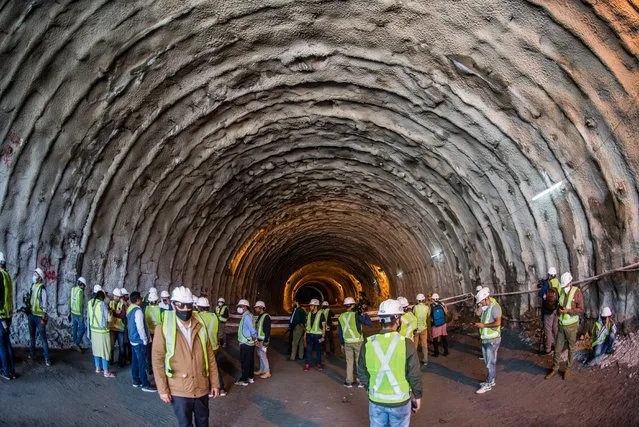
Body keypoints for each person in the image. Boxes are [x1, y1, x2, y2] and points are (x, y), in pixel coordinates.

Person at [152, 286, 220, 427]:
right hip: (179, 389)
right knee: (185, 424)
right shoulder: (163, 328)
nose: (185, 309)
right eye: (180, 305)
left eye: (188, 305)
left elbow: (210, 357)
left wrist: (215, 383)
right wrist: (163, 390)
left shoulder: (201, 326)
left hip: (201, 385)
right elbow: (157, 360)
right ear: (173, 305)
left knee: (203, 421)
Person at [358, 299, 422, 427]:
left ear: (381, 320)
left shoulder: (368, 343)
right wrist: (418, 395)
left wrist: (369, 388)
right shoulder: (406, 343)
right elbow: (414, 373)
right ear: (397, 320)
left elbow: (361, 371)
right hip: (400, 401)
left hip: (376, 400)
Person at [546, 272, 584, 380]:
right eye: (563, 286)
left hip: (571, 326)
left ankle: (567, 369)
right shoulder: (562, 291)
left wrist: (568, 311)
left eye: (566, 285)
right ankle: (555, 368)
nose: (564, 287)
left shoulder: (577, 292)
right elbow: (559, 305)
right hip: (561, 325)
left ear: (570, 282)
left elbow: (580, 309)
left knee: (571, 348)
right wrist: (558, 310)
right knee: (557, 349)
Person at [338, 296, 372, 388]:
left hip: (347, 342)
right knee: (359, 362)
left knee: (349, 362)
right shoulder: (356, 315)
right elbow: (369, 322)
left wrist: (341, 344)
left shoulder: (341, 317)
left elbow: (340, 332)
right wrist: (364, 313)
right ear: (353, 305)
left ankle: (348, 382)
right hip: (357, 342)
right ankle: (360, 381)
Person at [195, 297, 226, 396]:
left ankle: (209, 389)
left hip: (204, 347)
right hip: (214, 346)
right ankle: (221, 389)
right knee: (214, 367)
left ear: (199, 307)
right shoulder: (214, 316)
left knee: (204, 368)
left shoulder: (197, 317)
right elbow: (219, 331)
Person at [474, 287, 502, 394]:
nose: (481, 304)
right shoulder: (486, 307)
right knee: (487, 362)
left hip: (493, 340)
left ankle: (489, 383)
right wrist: (480, 307)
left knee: (490, 363)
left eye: (481, 302)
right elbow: (478, 314)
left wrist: (483, 325)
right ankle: (491, 380)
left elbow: (498, 323)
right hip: (486, 339)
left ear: (486, 298)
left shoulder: (495, 307)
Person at [127, 291, 156, 392]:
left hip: (132, 339)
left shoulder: (130, 308)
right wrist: (145, 339)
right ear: (138, 300)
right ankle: (145, 384)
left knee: (135, 361)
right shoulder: (138, 311)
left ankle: (136, 380)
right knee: (142, 362)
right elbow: (140, 327)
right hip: (139, 340)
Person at [88, 290, 115, 378]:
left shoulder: (90, 303)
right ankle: (106, 372)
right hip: (103, 332)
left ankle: (98, 368)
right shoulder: (102, 304)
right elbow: (108, 319)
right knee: (105, 351)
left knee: (96, 350)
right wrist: (110, 312)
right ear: (102, 298)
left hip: (94, 330)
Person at [28, 267, 51, 366]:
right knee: (32, 336)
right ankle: (32, 353)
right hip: (31, 315)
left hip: (39, 317)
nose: (34, 276)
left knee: (43, 338)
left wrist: (43, 318)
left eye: (36, 274)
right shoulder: (33, 286)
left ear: (40, 278)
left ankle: (47, 359)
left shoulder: (42, 289)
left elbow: (45, 305)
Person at [0, 252, 16, 380]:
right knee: (7, 343)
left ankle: (5, 371)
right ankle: (12, 371)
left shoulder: (0, 276)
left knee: (1, 346)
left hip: (1, 316)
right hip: (8, 315)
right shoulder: (7, 276)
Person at [538, 267, 561, 354]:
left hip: (548, 311)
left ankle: (548, 349)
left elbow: (540, 294)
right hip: (556, 308)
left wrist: (544, 295)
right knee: (555, 327)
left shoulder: (548, 283)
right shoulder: (558, 283)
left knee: (548, 329)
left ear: (549, 275)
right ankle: (557, 345)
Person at [235, 299, 257, 386]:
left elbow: (251, 329)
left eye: (240, 306)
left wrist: (255, 337)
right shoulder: (249, 315)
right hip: (249, 342)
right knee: (250, 361)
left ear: (244, 307)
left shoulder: (247, 316)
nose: (239, 308)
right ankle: (250, 377)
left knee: (245, 362)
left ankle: (243, 380)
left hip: (246, 342)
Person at [304, 299, 326, 371]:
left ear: (316, 306)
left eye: (311, 305)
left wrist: (323, 336)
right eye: (310, 305)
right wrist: (305, 335)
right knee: (308, 350)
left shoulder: (321, 314)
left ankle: (318, 364)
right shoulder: (309, 313)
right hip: (309, 335)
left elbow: (323, 326)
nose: (310, 307)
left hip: (318, 336)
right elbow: (307, 325)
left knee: (318, 351)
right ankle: (307, 365)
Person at [108, 288, 127, 367]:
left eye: (119, 297)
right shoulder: (110, 303)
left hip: (120, 328)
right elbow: (108, 313)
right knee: (111, 346)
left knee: (121, 347)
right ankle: (110, 361)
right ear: (113, 296)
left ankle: (121, 363)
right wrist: (116, 312)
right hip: (112, 328)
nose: (118, 298)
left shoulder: (122, 304)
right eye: (117, 296)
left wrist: (113, 312)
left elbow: (122, 315)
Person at [253, 301, 272, 379]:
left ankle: (267, 372)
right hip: (259, 339)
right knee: (260, 355)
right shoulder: (260, 316)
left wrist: (266, 341)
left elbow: (267, 329)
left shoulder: (266, 316)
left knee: (263, 355)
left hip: (263, 339)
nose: (256, 309)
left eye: (257, 307)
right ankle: (261, 370)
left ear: (261, 308)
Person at [69, 277, 87, 352]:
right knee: (83, 328)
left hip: (73, 312)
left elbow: (69, 301)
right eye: (84, 286)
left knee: (75, 328)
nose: (84, 287)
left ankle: (74, 342)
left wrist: (69, 312)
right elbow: (80, 304)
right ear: (82, 285)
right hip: (79, 314)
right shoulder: (80, 292)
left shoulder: (73, 289)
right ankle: (76, 343)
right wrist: (82, 316)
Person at [412, 293, 430, 366]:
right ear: (423, 300)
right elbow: (428, 316)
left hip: (416, 329)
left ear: (417, 300)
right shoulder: (427, 308)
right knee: (424, 344)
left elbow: (413, 316)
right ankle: (425, 360)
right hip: (424, 329)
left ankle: (414, 362)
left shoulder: (415, 307)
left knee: (415, 345)